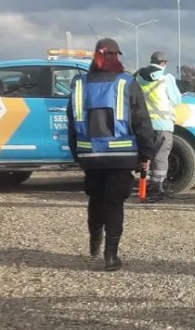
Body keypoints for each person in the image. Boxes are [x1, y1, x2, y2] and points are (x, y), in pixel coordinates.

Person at [67, 38, 155, 271]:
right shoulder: (126, 83)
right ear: (116, 56)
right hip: (121, 155)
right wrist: (147, 152)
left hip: (90, 155)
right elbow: (142, 121)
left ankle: (95, 241)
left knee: (96, 201)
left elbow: (71, 122)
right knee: (114, 204)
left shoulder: (78, 84)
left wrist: (77, 154)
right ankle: (111, 256)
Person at [134, 51, 182, 201]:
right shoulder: (166, 78)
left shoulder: (138, 76)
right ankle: (156, 189)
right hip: (162, 124)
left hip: (142, 124)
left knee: (145, 156)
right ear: (163, 63)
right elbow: (176, 101)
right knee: (161, 157)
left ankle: (145, 186)